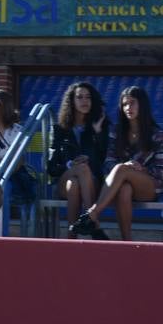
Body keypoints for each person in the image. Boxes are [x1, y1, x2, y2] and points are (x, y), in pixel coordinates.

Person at [72, 85, 163, 241]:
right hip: (123, 183)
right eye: (124, 104)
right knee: (124, 188)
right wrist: (126, 168)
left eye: (132, 103)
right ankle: (126, 242)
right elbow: (108, 162)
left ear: (142, 105)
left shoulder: (156, 134)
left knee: (121, 169)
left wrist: (140, 169)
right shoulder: (116, 131)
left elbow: (162, 171)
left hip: (150, 186)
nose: (128, 107)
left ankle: (92, 215)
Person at [47, 82, 109, 238]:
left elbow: (105, 161)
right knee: (79, 169)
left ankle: (71, 239)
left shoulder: (100, 126)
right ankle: (93, 224)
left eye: (88, 97)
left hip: (91, 182)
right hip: (64, 177)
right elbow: (52, 166)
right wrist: (70, 164)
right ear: (71, 101)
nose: (84, 101)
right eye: (79, 97)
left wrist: (98, 133)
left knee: (74, 184)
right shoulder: (59, 129)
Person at [0, 89, 36, 208]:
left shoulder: (17, 131)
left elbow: (18, 161)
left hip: (10, 175)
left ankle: (2, 224)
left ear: (4, 106)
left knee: (4, 186)